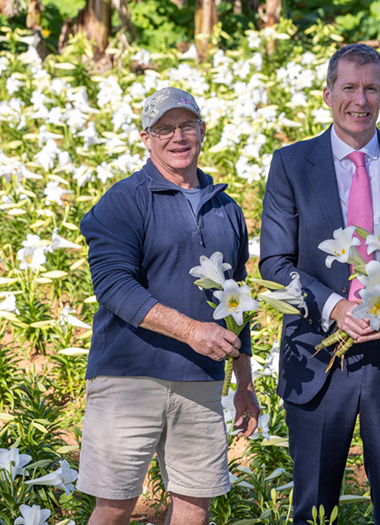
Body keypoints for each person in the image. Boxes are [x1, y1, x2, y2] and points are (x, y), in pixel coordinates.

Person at [259, 44, 380, 524]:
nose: (359, 100)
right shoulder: (291, 164)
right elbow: (275, 263)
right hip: (320, 356)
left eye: (371, 88)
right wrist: (333, 308)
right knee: (314, 508)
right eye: (349, 87)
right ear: (328, 94)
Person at [78, 87, 260, 525]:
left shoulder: (226, 208)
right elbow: (113, 286)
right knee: (115, 505)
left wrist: (244, 383)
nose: (177, 137)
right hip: (128, 378)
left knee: (195, 504)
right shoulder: (124, 200)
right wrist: (192, 331)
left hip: (200, 381)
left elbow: (237, 300)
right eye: (164, 128)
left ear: (202, 131)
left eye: (186, 125)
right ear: (146, 138)